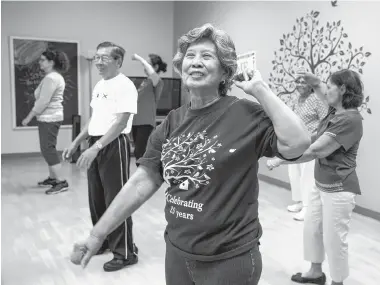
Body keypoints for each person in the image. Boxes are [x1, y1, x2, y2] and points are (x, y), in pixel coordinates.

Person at [70, 24, 310, 284]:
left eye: (207, 56)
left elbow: (297, 142)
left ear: (225, 72)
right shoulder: (173, 121)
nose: (195, 62)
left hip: (229, 259)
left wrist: (260, 89)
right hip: (177, 252)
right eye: (190, 56)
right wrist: (97, 235)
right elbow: (143, 180)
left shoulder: (246, 114)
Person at [267, 68, 364, 285]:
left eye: (331, 87)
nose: (325, 90)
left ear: (343, 89)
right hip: (319, 184)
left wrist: (281, 158)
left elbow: (316, 150)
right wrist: (314, 81)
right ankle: (315, 272)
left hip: (339, 189)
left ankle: (337, 282)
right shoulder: (334, 111)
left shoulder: (349, 119)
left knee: (334, 240)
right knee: (312, 229)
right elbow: (321, 90)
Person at [63, 42, 139, 272]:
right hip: (96, 143)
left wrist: (95, 146)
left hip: (114, 144)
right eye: (97, 57)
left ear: (118, 61)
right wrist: (77, 141)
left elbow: (121, 123)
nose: (98, 62)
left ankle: (126, 252)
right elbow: (95, 119)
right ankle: (103, 241)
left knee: (117, 200)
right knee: (97, 198)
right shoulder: (100, 84)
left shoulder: (125, 85)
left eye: (104, 58)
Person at [22, 49, 70, 195]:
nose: (40, 62)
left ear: (51, 62)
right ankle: (52, 178)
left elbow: (43, 101)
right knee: (49, 148)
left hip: (50, 118)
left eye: (43, 60)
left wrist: (28, 117)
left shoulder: (51, 78)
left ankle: (61, 182)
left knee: (47, 149)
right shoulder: (54, 77)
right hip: (49, 118)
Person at [285, 77, 328, 221]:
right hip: (296, 143)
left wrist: (313, 138)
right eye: (298, 81)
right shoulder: (296, 99)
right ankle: (298, 201)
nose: (299, 84)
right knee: (294, 173)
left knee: (307, 176)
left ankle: (307, 208)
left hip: (311, 143)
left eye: (303, 82)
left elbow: (325, 123)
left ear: (310, 85)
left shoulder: (317, 99)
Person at [131, 53, 167, 164]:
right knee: (138, 153)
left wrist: (139, 58)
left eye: (147, 64)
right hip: (135, 122)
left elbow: (152, 74)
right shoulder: (145, 82)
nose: (144, 67)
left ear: (155, 67)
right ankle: (143, 177)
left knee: (140, 152)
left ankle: (144, 178)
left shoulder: (157, 82)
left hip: (145, 122)